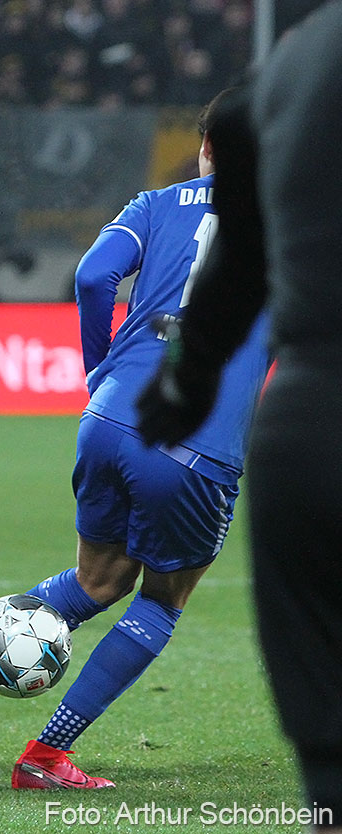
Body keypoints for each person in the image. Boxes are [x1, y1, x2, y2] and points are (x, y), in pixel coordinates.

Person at [0, 88, 272, 788]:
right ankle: (46, 754)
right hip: (196, 441)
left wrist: (99, 368)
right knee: (161, 599)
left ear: (205, 147)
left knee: (98, 579)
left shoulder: (154, 204)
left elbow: (94, 274)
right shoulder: (291, 228)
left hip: (107, 418)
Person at [137, 2, 342, 824]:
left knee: (328, 752)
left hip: (307, 423)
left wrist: (184, 380)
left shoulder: (297, 58)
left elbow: (235, 254)